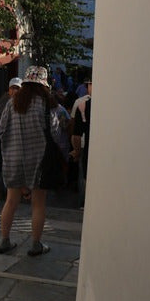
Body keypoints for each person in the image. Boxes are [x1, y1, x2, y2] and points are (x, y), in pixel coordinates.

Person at [0, 65, 61, 256]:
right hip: (39, 161)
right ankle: (36, 244)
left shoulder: (12, 103)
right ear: (42, 85)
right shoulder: (45, 105)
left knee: (10, 201)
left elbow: (0, 132)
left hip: (13, 160)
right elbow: (55, 132)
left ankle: (5, 241)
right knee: (38, 204)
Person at [70, 77, 92, 208]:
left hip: (84, 145)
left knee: (83, 175)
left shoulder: (81, 104)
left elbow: (74, 128)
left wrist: (76, 150)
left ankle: (83, 203)